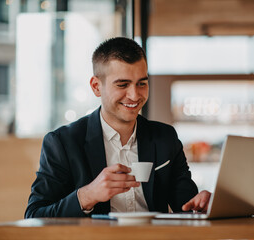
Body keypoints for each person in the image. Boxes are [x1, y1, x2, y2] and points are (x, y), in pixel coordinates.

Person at [25, 37, 211, 218]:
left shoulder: (165, 137)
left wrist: (201, 204)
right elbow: (35, 215)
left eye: (142, 83)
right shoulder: (63, 142)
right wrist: (88, 195)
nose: (134, 95)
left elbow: (187, 206)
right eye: (123, 84)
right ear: (96, 86)